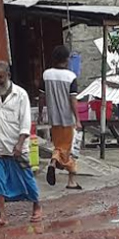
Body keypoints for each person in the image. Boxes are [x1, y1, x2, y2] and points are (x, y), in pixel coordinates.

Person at [0, 61, 42, 229]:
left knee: (27, 179)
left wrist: (20, 144)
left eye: (1, 77)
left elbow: (25, 123)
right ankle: (2, 216)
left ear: (8, 76)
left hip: (16, 147)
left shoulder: (21, 95)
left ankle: (36, 206)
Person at [44, 45, 82, 191]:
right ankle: (55, 162)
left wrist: (41, 112)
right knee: (70, 148)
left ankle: (70, 179)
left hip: (53, 119)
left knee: (61, 146)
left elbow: (41, 96)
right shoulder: (70, 77)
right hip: (67, 119)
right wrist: (77, 119)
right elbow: (73, 100)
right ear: (67, 60)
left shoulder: (46, 75)